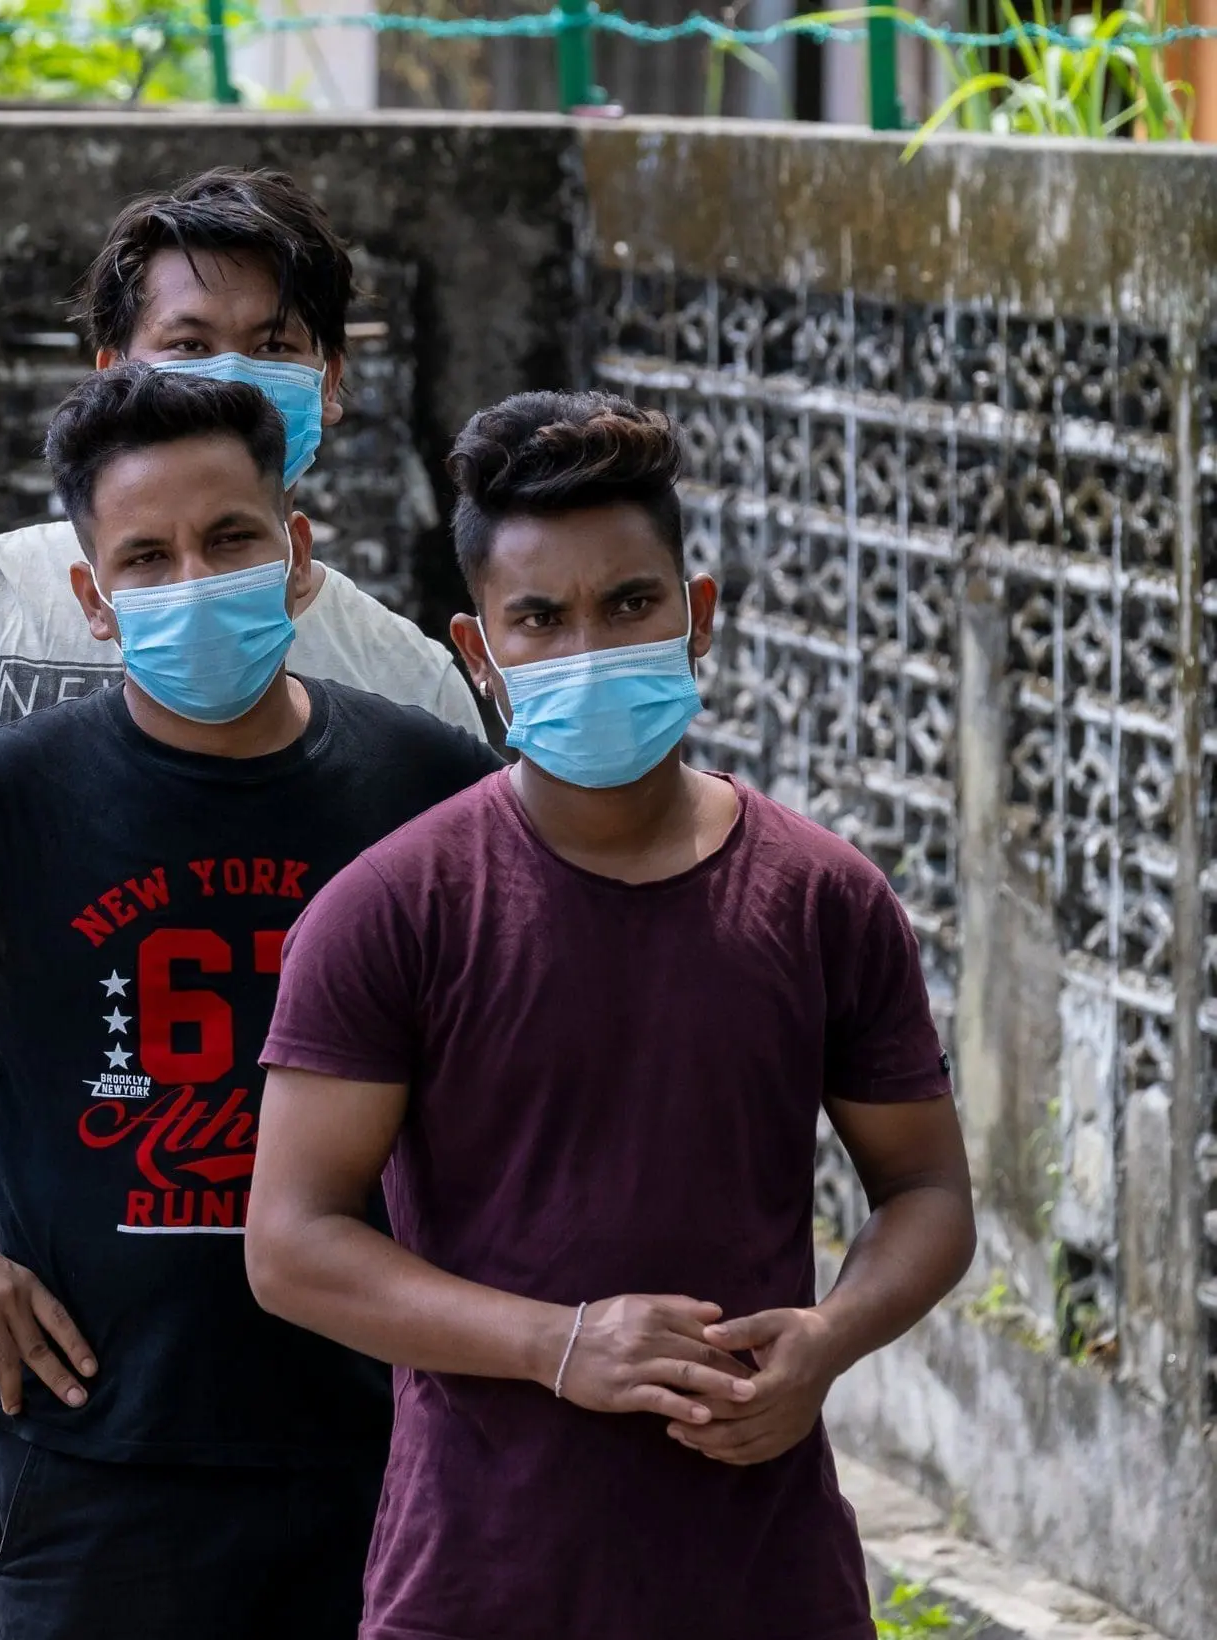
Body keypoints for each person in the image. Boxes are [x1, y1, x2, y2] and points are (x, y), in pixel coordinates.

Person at [0, 366, 498, 1640]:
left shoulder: (417, 776)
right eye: (147, 554)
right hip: (90, 1460)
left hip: (371, 1445)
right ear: (92, 596)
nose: (193, 578)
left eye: (230, 538)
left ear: (296, 554)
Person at [246, 391, 977, 1640]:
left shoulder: (821, 897)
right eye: (540, 618)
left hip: (766, 1578)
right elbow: (291, 1243)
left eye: (627, 605)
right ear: (480, 653)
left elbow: (925, 1193)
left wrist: (826, 1340)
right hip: (477, 1580)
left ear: (693, 616)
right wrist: (553, 1343)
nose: (587, 648)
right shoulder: (391, 909)